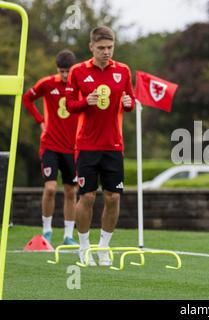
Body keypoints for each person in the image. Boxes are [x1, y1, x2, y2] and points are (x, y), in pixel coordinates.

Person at [66, 26, 135, 266]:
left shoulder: (123, 71)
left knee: (113, 197)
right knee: (86, 198)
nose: (107, 52)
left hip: (114, 145)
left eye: (110, 47)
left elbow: (130, 101)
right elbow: (70, 105)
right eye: (102, 48)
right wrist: (86, 101)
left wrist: (128, 102)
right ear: (91, 47)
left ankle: (104, 246)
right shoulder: (77, 71)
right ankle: (84, 246)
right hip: (86, 144)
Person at [22, 50, 79, 245]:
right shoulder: (47, 84)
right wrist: (40, 120)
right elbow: (27, 98)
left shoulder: (80, 86)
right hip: (50, 145)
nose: (65, 76)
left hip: (73, 147)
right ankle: (47, 231)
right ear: (57, 69)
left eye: (68, 72)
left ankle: (68, 235)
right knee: (51, 188)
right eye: (62, 71)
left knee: (71, 191)